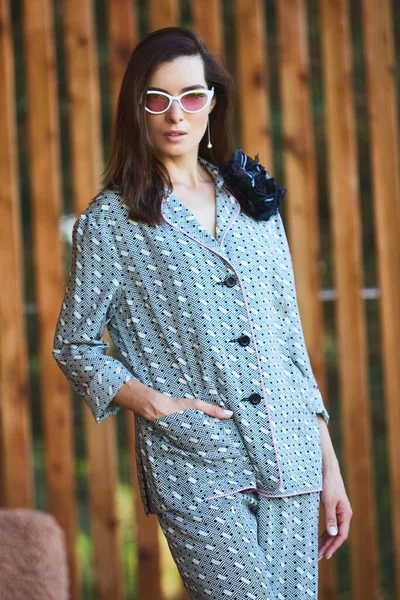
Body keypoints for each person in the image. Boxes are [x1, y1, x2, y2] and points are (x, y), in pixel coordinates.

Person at [52, 26, 352, 599]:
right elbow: (75, 345)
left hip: (290, 451)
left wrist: (328, 465)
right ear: (137, 108)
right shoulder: (112, 222)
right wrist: (154, 405)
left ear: (212, 100)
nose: (176, 115)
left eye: (191, 96)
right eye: (157, 99)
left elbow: (287, 336)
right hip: (196, 463)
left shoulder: (252, 198)